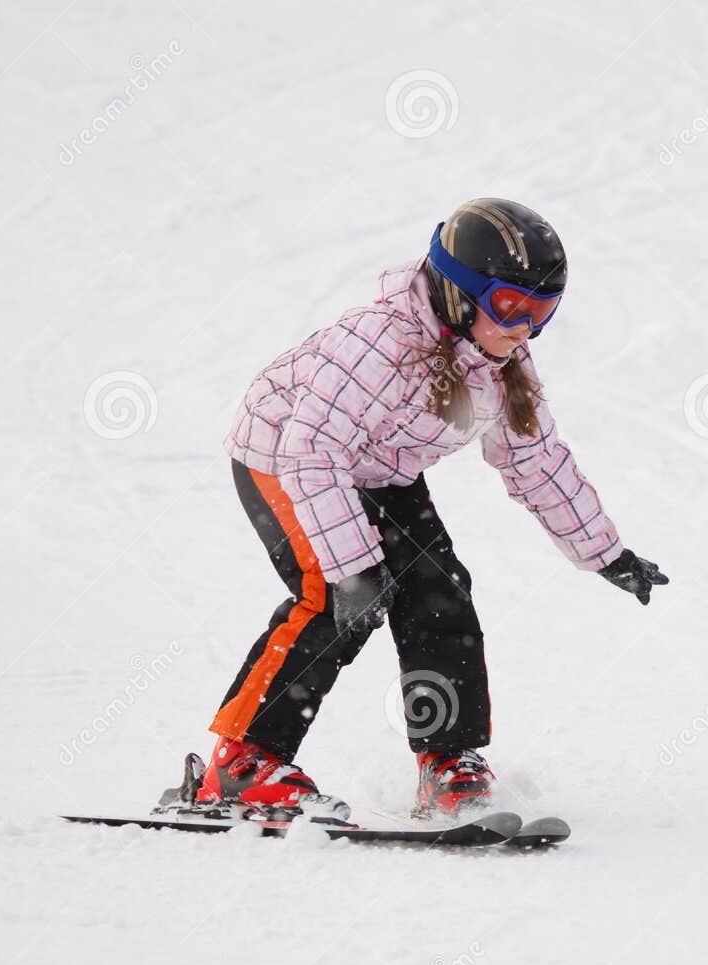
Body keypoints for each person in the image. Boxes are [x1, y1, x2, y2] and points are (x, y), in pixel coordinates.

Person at [202, 198, 668, 816]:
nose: (524, 327)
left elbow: (536, 461)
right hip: (284, 457)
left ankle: (449, 760)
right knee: (331, 601)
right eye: (510, 305)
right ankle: (242, 763)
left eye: (543, 311)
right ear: (457, 293)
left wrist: (606, 554)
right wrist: (352, 570)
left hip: (379, 471)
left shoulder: (501, 363)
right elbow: (310, 452)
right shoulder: (378, 344)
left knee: (439, 594)